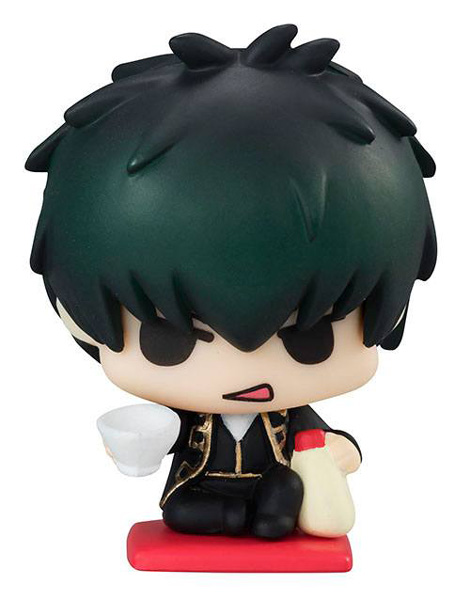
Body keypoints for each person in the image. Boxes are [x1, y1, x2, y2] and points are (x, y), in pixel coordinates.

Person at [26, 24, 437, 539]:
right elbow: (158, 441)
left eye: (310, 338)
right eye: (167, 340)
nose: (243, 369)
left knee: (283, 487)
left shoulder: (291, 422)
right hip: (197, 493)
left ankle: (269, 516)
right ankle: (239, 519)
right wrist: (129, 448)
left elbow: (334, 445)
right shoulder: (189, 421)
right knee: (183, 511)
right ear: (75, 313)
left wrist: (338, 452)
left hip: (278, 487)